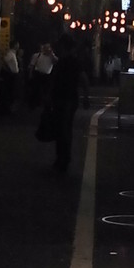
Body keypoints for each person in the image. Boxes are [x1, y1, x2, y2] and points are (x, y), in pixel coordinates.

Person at [49, 33, 81, 173]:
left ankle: (62, 158)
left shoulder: (63, 62)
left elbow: (54, 80)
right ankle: (64, 157)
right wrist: (85, 96)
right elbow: (83, 78)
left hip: (62, 98)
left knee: (62, 128)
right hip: (70, 98)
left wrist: (49, 96)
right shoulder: (74, 61)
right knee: (66, 128)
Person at [27, 43, 58, 108]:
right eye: (45, 47)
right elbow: (32, 65)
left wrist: (51, 54)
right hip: (38, 74)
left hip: (47, 76)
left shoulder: (51, 57)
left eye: (48, 48)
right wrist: (30, 74)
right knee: (35, 89)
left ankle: (43, 104)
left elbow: (56, 62)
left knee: (45, 90)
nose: (47, 49)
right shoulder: (37, 55)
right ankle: (33, 104)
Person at [0, 40, 20, 114]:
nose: (18, 46)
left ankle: (9, 108)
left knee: (12, 91)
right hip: (10, 75)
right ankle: (7, 109)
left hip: (13, 75)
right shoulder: (10, 53)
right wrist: (8, 69)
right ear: (15, 45)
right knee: (9, 91)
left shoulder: (13, 53)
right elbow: (4, 60)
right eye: (17, 44)